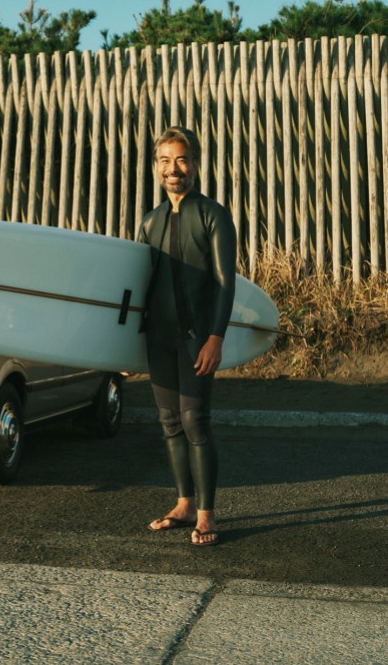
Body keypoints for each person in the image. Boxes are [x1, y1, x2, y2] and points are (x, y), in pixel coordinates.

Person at [137, 126, 236, 546]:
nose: (172, 169)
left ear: (194, 164)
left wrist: (216, 337)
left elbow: (224, 282)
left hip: (197, 337)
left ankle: (207, 514)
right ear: (156, 167)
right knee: (169, 422)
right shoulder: (150, 221)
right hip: (159, 338)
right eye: (164, 161)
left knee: (196, 420)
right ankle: (182, 504)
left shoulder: (212, 214)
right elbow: (141, 287)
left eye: (181, 160)